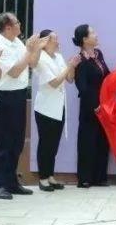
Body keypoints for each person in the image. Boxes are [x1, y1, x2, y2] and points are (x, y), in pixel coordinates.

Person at [0, 12, 44, 199]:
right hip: (3, 96)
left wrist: (36, 49)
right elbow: (14, 72)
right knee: (2, 140)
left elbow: (32, 63)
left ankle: (11, 181)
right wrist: (29, 50)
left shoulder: (18, 43)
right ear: (7, 27)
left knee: (16, 140)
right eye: (17, 22)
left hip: (19, 95)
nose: (20, 25)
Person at [32, 29, 75, 191]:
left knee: (54, 143)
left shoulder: (58, 57)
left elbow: (69, 79)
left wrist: (73, 66)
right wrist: (68, 67)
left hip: (59, 106)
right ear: (46, 41)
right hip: (45, 108)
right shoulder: (41, 59)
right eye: (55, 39)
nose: (58, 42)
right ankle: (43, 178)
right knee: (45, 143)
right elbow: (55, 82)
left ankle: (50, 175)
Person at [72, 24, 111, 188]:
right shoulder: (80, 59)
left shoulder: (98, 54)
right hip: (90, 105)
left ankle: (99, 177)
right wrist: (94, 105)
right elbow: (82, 86)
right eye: (93, 33)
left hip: (104, 105)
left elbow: (106, 75)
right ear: (85, 39)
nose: (96, 35)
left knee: (103, 140)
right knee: (88, 141)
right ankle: (85, 178)